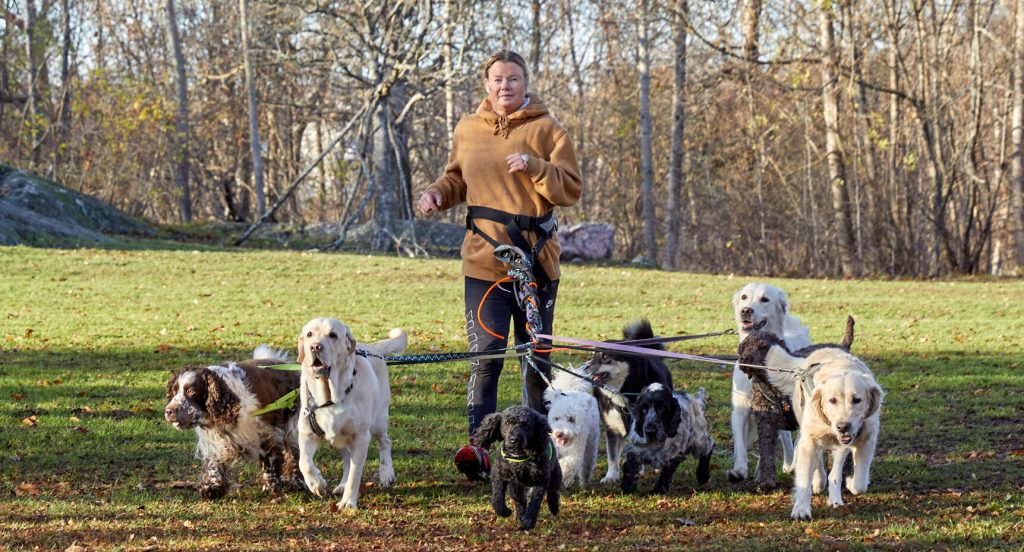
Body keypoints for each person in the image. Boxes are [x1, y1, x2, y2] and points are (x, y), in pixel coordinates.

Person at [418, 49, 583, 482]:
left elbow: (570, 189)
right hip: (484, 263)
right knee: (486, 359)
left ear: (526, 84)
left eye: (513, 79)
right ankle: (478, 453)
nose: (505, 86)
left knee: (536, 363)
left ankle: (537, 455)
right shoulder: (468, 129)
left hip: (536, 264)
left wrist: (535, 166)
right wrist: (437, 194)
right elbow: (457, 178)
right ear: (486, 85)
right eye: (497, 79)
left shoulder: (549, 130)